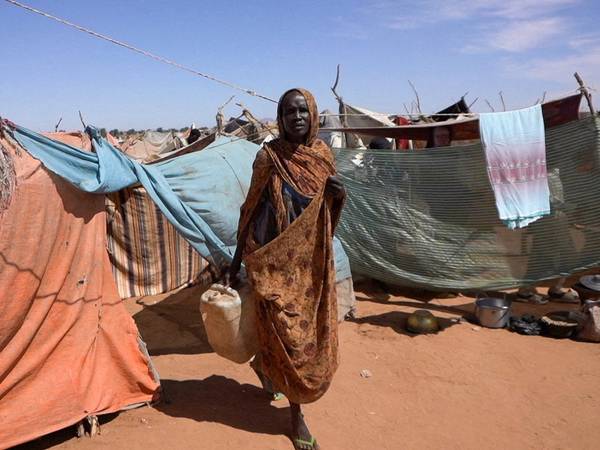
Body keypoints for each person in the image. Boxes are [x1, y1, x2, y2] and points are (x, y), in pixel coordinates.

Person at [225, 88, 346, 450]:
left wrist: (338, 196)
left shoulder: (322, 157)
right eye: (289, 112)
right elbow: (250, 209)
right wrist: (235, 262)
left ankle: (269, 370)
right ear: (280, 118)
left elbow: (326, 218)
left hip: (309, 267)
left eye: (302, 111)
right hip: (272, 261)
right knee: (284, 334)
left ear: (313, 115)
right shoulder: (269, 157)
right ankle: (296, 416)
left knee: (303, 337)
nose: (297, 118)